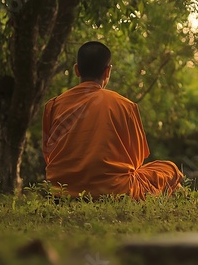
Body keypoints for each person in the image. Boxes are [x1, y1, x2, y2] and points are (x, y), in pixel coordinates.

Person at [42, 41, 183, 200]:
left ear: (76, 70)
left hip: (62, 191)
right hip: (114, 190)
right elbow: (136, 160)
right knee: (168, 169)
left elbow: (49, 155)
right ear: (107, 71)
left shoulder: (53, 105)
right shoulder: (124, 105)